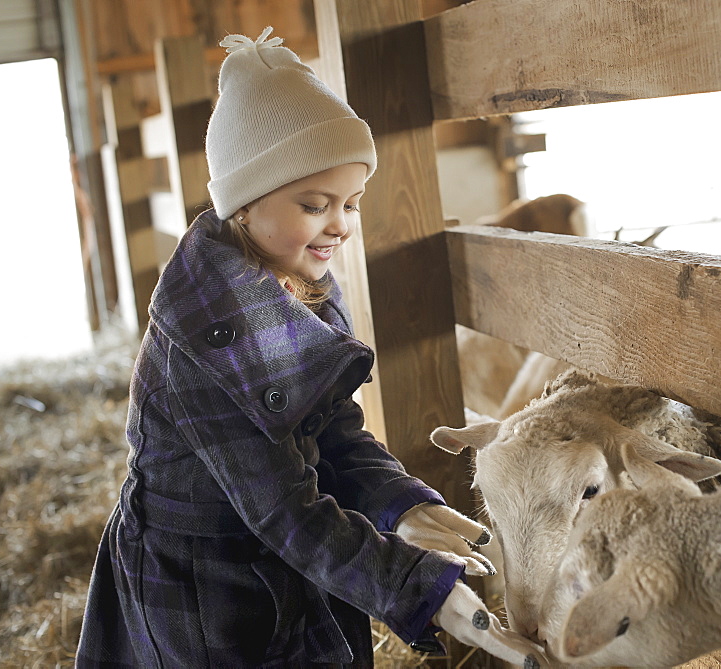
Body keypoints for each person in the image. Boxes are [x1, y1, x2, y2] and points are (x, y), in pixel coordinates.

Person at [76, 27, 547, 668]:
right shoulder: (206, 336)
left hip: (283, 564)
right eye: (314, 203)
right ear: (244, 205)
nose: (341, 224)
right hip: (203, 592)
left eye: (351, 202)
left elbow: (336, 436)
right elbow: (286, 515)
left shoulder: (296, 285)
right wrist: (419, 589)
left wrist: (399, 505)